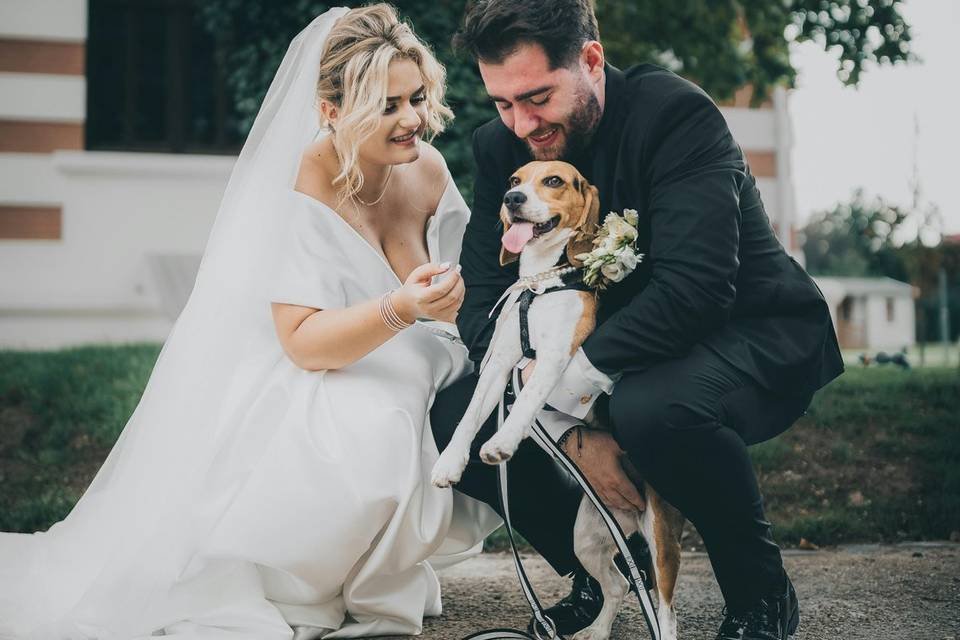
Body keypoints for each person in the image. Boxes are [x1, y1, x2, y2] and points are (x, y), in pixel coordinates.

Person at [0, 5, 499, 638]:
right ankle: (309, 577)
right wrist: (403, 307)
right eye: (389, 106)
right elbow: (301, 342)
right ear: (331, 112)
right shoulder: (303, 183)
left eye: (418, 98)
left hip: (418, 353)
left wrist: (456, 298)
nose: (414, 121)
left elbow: (470, 275)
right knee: (379, 423)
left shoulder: (426, 168)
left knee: (436, 398)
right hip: (313, 366)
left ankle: (373, 571)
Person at [429, 1, 844, 639]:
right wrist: (568, 434)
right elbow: (486, 300)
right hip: (609, 348)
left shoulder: (676, 115)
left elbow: (696, 288)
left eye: (536, 97)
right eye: (504, 104)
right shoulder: (499, 150)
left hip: (745, 329)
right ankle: (606, 575)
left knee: (653, 411)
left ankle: (760, 594)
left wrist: (564, 395)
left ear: (591, 61)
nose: (521, 123)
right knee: (458, 410)